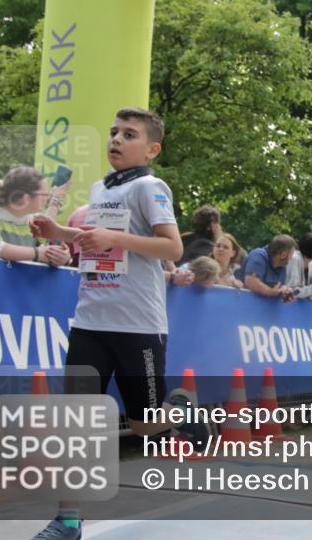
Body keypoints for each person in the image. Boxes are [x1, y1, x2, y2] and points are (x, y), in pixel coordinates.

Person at [28, 108, 207, 540]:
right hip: (90, 319)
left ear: (152, 149)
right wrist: (59, 232)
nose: (116, 140)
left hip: (137, 324)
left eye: (129, 134)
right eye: (113, 132)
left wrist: (113, 238)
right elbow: (98, 243)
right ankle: (68, 520)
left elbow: (172, 248)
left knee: (144, 425)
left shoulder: (150, 187)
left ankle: (182, 411)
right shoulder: (100, 188)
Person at [0, 166, 71, 266]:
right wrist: (37, 253)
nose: (47, 198)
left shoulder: (31, 219)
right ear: (26, 198)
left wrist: (63, 257)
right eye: (44, 194)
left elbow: (47, 246)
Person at [242, 234, 295, 298]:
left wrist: (285, 291)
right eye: (291, 254)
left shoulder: (282, 265)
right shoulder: (258, 255)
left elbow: (277, 288)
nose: (292, 258)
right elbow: (251, 281)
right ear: (283, 255)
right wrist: (271, 292)